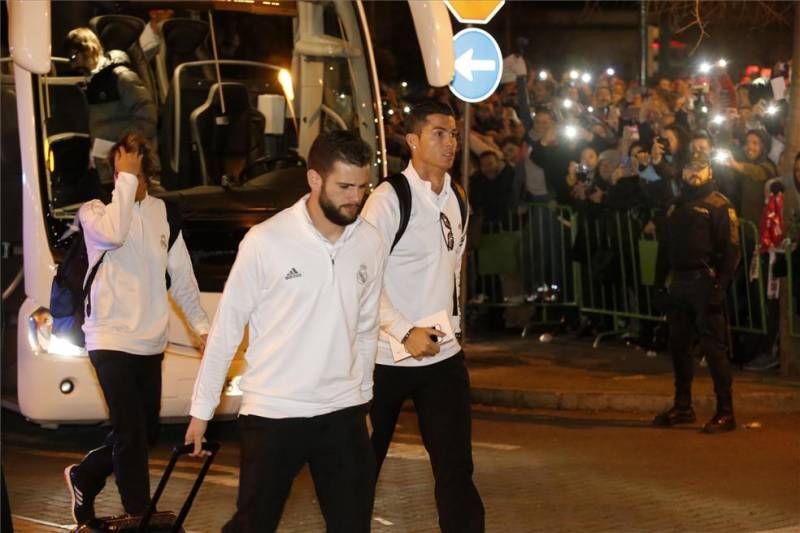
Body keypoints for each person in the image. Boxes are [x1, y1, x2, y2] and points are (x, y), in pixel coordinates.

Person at [184, 131, 383, 533]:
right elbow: (226, 329)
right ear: (314, 179)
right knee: (254, 524)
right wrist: (201, 411)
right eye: (345, 186)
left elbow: (365, 330)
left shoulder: (370, 241)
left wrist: (363, 402)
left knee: (352, 525)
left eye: (363, 187)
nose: (355, 198)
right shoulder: (265, 241)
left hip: (342, 410)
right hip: (274, 411)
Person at [64, 134, 210, 527]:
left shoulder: (165, 214)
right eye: (122, 170)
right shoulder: (95, 212)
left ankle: (86, 475)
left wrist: (202, 327)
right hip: (108, 337)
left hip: (149, 341)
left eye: (136, 170)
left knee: (143, 434)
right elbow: (115, 234)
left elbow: (181, 277)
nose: (129, 177)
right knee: (129, 429)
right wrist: (124, 182)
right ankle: (137, 510)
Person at [362, 100, 485, 533]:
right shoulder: (388, 199)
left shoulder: (459, 198)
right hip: (382, 359)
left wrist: (452, 329)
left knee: (456, 471)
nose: (450, 142)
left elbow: (452, 271)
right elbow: (362, 279)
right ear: (413, 140)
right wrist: (402, 329)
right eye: (439, 133)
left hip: (442, 357)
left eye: (453, 134)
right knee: (359, 473)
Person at [653, 154, 741, 433]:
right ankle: (682, 406)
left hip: (705, 282)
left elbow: (731, 250)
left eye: (699, 169)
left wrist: (721, 286)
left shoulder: (719, 205)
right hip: (678, 281)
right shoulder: (674, 206)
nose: (693, 174)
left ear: (709, 172)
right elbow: (664, 249)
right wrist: (657, 284)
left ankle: (726, 412)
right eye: (689, 168)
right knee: (678, 346)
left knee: (714, 349)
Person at [65, 28, 157, 182]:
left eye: (74, 56)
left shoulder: (121, 77)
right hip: (110, 172)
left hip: (130, 172)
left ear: (89, 49)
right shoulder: (91, 83)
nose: (73, 65)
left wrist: (120, 148)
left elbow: (148, 118)